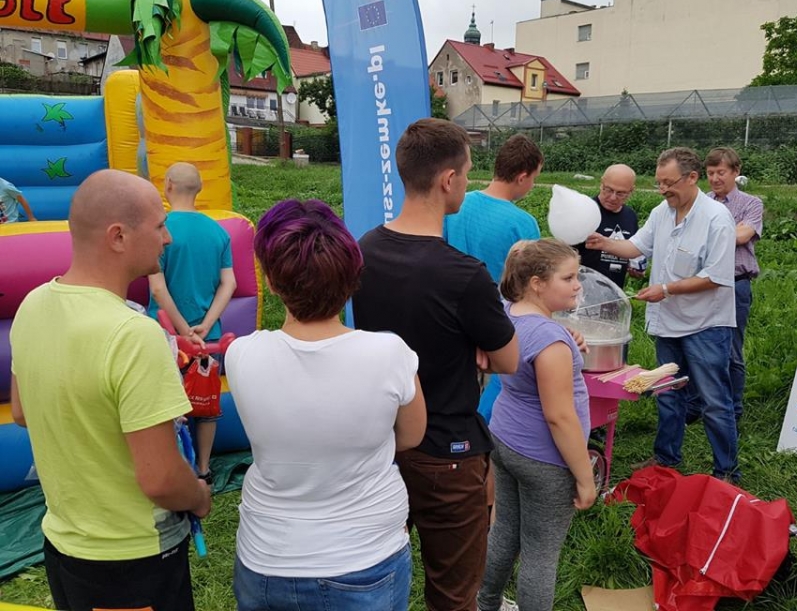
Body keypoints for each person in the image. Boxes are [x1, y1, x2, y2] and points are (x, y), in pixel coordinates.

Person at [9, 169, 211, 611]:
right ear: (118, 237)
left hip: (64, 546)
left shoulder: (33, 305)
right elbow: (160, 479)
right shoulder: (133, 335)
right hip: (132, 560)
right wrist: (199, 494)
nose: (168, 239)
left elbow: (21, 412)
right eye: (159, 226)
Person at [226, 199, 426, 611]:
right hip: (364, 555)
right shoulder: (389, 354)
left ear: (272, 282)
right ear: (352, 276)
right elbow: (411, 435)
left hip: (267, 558)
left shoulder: (242, 354)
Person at [352, 118, 519, 611]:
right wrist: (476, 347)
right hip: (448, 450)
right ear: (448, 179)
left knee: (376, 578)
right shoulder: (464, 275)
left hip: (381, 442)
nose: (467, 182)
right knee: (453, 594)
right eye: (466, 172)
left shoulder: (363, 249)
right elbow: (509, 358)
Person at [585, 147, 739, 482]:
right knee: (667, 392)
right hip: (668, 322)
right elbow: (636, 247)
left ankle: (726, 470)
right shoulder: (662, 212)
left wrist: (666, 289)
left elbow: (716, 277)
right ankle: (667, 457)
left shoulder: (716, 219)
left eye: (668, 183)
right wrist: (603, 243)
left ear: (692, 177)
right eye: (659, 183)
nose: (662, 189)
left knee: (713, 400)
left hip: (705, 325)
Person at [477, 239, 596, 611]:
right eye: (568, 277)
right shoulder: (549, 341)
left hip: (505, 439)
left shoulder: (508, 311)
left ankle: (485, 603)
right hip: (545, 459)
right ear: (536, 283)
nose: (577, 285)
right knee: (541, 553)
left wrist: (564, 334)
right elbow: (559, 417)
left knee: (504, 531)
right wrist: (585, 478)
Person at [148, 162, 236, 482]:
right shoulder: (218, 232)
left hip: (166, 334)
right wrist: (205, 324)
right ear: (199, 188)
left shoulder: (160, 230)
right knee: (207, 400)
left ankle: (175, 468)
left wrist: (183, 330)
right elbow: (229, 283)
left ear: (168, 185)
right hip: (208, 336)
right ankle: (203, 468)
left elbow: (158, 288)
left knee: (165, 402)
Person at [445, 133, 542, 423]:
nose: (533, 185)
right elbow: (532, 286)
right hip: (496, 326)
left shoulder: (456, 206)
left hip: (451, 319)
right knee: (492, 404)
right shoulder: (523, 223)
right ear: (522, 177)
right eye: (534, 178)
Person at [700, 147, 763, 422]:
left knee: (732, 351)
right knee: (701, 346)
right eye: (710, 173)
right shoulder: (701, 201)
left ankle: (733, 412)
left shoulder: (751, 203)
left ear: (736, 172)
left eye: (721, 172)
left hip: (735, 285)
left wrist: (706, 232)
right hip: (703, 284)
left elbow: (742, 235)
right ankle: (701, 405)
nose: (715, 178)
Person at [576, 163, 642, 290]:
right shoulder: (584, 211)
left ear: (631, 191)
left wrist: (633, 266)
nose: (612, 197)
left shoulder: (630, 216)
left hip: (614, 292)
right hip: (582, 292)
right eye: (609, 190)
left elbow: (632, 251)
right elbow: (564, 255)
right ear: (601, 183)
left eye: (621, 193)